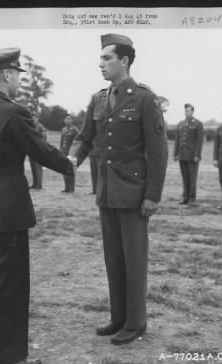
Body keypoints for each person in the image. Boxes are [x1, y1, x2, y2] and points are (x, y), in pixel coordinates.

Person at [0, 48, 74, 364]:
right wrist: (69, 165)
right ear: (6, 75)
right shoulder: (13, 113)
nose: (18, 80)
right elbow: (41, 150)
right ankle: (10, 356)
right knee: (11, 282)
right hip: (9, 207)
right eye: (17, 74)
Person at [70, 34, 168, 345]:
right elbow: (85, 138)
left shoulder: (144, 99)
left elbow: (158, 151)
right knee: (113, 257)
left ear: (123, 61)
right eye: (100, 58)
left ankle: (136, 323)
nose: (100, 63)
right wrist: (72, 158)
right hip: (106, 192)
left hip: (135, 193)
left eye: (106, 58)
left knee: (134, 258)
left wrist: (152, 195)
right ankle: (119, 317)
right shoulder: (98, 98)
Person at [173, 103, 204, 206]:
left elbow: (199, 141)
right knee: (185, 177)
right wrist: (175, 153)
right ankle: (185, 197)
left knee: (192, 178)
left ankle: (192, 198)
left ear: (192, 112)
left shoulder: (198, 124)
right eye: (186, 111)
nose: (187, 112)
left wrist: (197, 155)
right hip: (182, 155)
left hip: (192, 156)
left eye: (189, 111)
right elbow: (177, 140)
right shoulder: (180, 124)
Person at [59, 114, 79, 193]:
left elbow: (77, 142)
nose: (67, 120)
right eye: (66, 119)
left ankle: (71, 188)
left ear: (72, 120)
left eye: (69, 119)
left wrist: (75, 152)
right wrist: (60, 150)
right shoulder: (63, 129)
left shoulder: (75, 130)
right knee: (64, 170)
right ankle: (66, 187)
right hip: (64, 152)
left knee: (71, 170)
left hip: (71, 153)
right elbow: (61, 142)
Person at [29, 115, 47, 190]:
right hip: (31, 149)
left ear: (38, 118)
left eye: (34, 118)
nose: (33, 119)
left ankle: (39, 185)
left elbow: (44, 138)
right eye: (32, 117)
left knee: (38, 167)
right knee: (33, 167)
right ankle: (34, 183)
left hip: (38, 149)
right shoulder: (30, 126)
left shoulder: (40, 127)